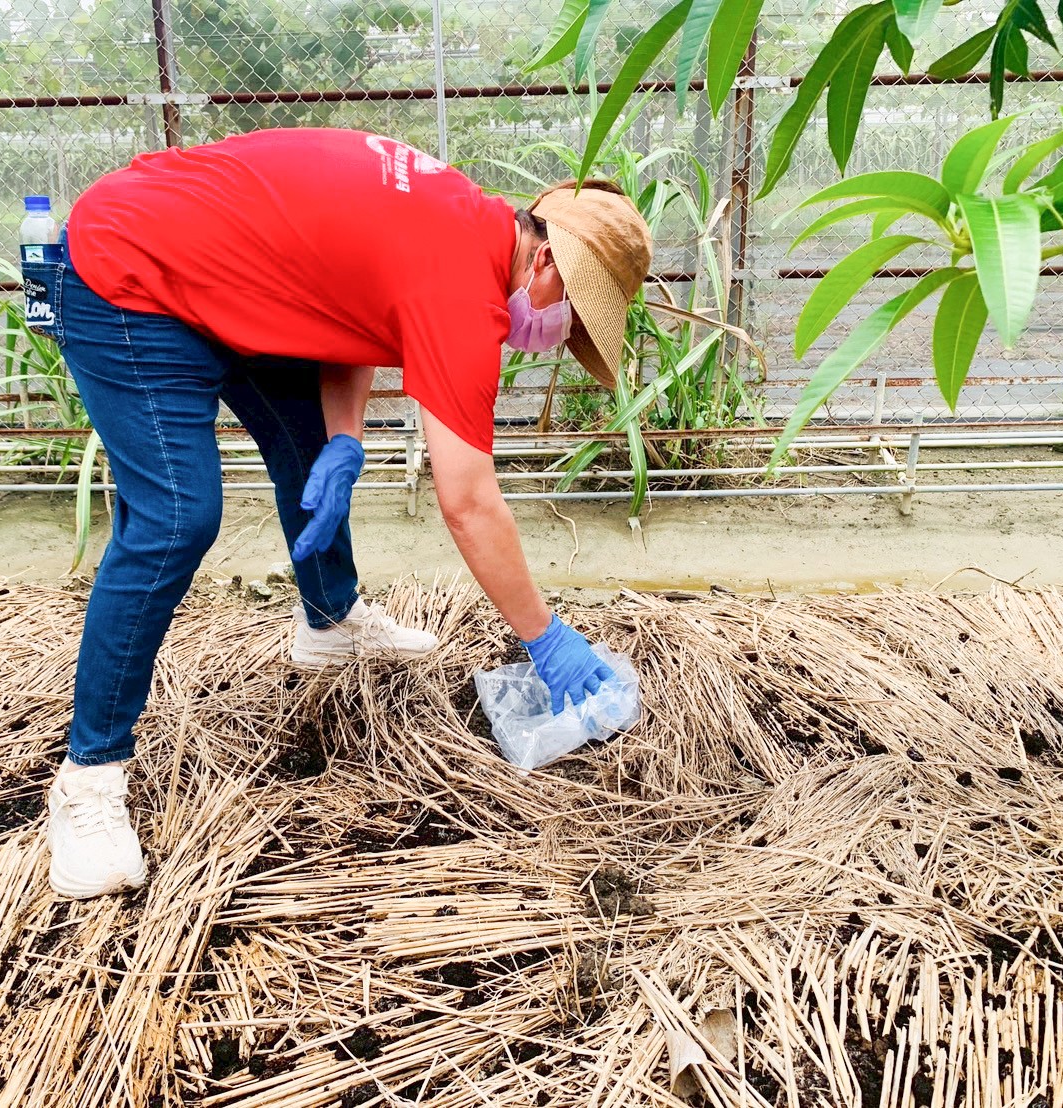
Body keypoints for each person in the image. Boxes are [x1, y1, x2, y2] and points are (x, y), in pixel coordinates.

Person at [32, 127, 653, 898]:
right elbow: (468, 502)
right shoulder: (463, 287)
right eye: (575, 315)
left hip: (208, 271)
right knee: (175, 519)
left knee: (309, 443)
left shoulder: (461, 219)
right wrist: (545, 638)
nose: (559, 335)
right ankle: (87, 779)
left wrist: (345, 441)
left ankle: (328, 622)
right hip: (126, 274)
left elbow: (346, 308)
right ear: (549, 263)